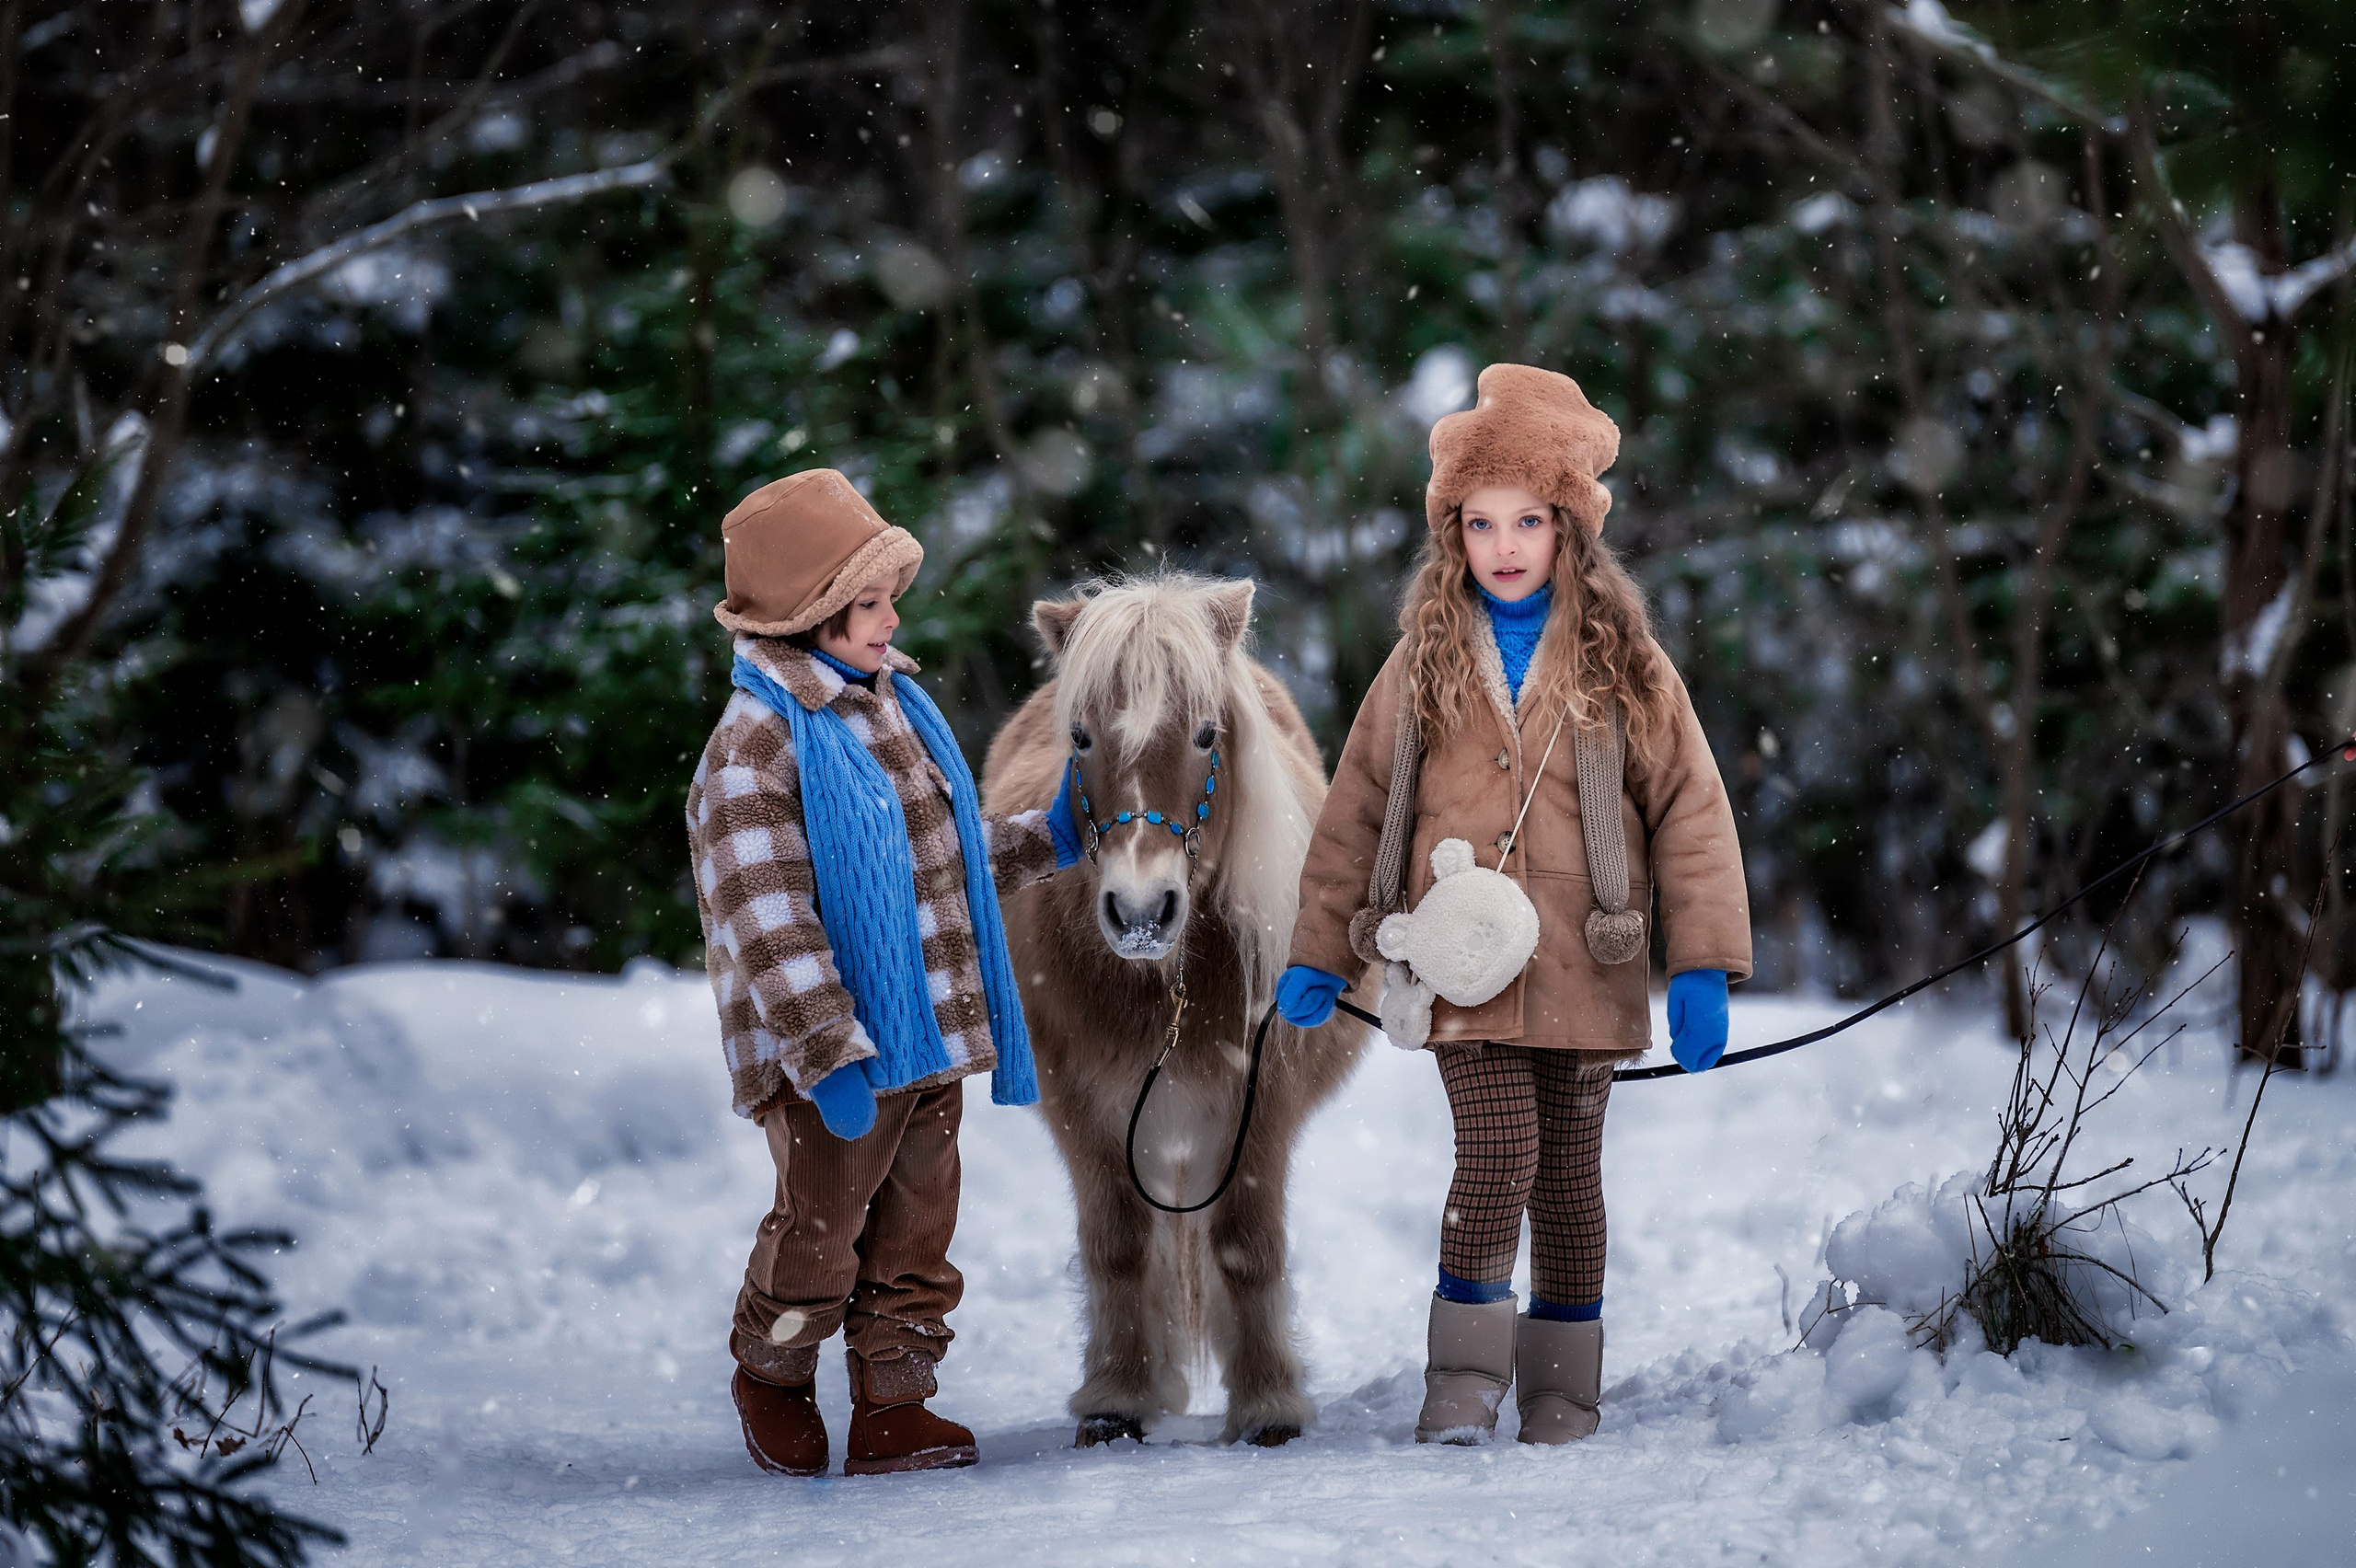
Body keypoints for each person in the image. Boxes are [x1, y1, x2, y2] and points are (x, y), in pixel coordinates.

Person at [1276, 364, 1751, 1446]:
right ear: (1452, 533)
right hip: (1458, 966)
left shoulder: (1625, 664)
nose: (1503, 545)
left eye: (1527, 520)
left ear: (1568, 529)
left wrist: (1702, 964)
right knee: (1496, 1154)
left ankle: (1561, 1389)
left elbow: (1690, 811)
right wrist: (1319, 951)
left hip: (1589, 962)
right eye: (1479, 522)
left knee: (1570, 1183)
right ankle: (1462, 1377)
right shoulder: (1420, 663)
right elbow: (1356, 810)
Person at [685, 468, 1083, 1478]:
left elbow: (940, 859)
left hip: (930, 1030)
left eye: (888, 598)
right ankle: (772, 1370)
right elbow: (766, 919)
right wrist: (828, 1052)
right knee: (818, 1235)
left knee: (915, 1234)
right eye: (869, 602)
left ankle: (896, 1404)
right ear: (808, 613)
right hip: (834, 1059)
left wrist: (1048, 839)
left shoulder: (889, 709)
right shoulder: (753, 749)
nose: (892, 618)